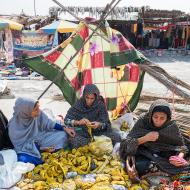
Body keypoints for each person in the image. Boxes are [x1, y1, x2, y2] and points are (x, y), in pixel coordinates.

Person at [120, 99, 190, 176]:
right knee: (140, 166)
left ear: (167, 118)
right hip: (145, 152)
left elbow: (182, 146)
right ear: (151, 115)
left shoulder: (170, 126)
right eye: (155, 117)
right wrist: (145, 138)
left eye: (162, 118)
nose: (158, 121)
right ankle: (156, 168)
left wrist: (178, 158)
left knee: (180, 164)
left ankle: (157, 168)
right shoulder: (143, 121)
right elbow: (125, 144)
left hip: (164, 152)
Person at [8, 97, 75, 165]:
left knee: (63, 135)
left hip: (40, 136)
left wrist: (64, 128)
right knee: (23, 159)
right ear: (26, 112)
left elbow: (48, 123)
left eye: (38, 108)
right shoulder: (13, 127)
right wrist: (41, 148)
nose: (39, 111)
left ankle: (44, 152)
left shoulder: (38, 114)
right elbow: (21, 146)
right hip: (28, 148)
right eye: (36, 110)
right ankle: (42, 153)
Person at [64, 84, 121, 149]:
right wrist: (78, 122)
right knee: (73, 141)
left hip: (99, 134)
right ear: (84, 96)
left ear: (96, 97)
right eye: (87, 98)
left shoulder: (100, 105)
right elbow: (66, 120)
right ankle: (95, 146)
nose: (89, 101)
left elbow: (107, 124)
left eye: (92, 98)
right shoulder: (78, 105)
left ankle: (92, 146)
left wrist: (99, 124)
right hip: (83, 133)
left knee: (116, 137)